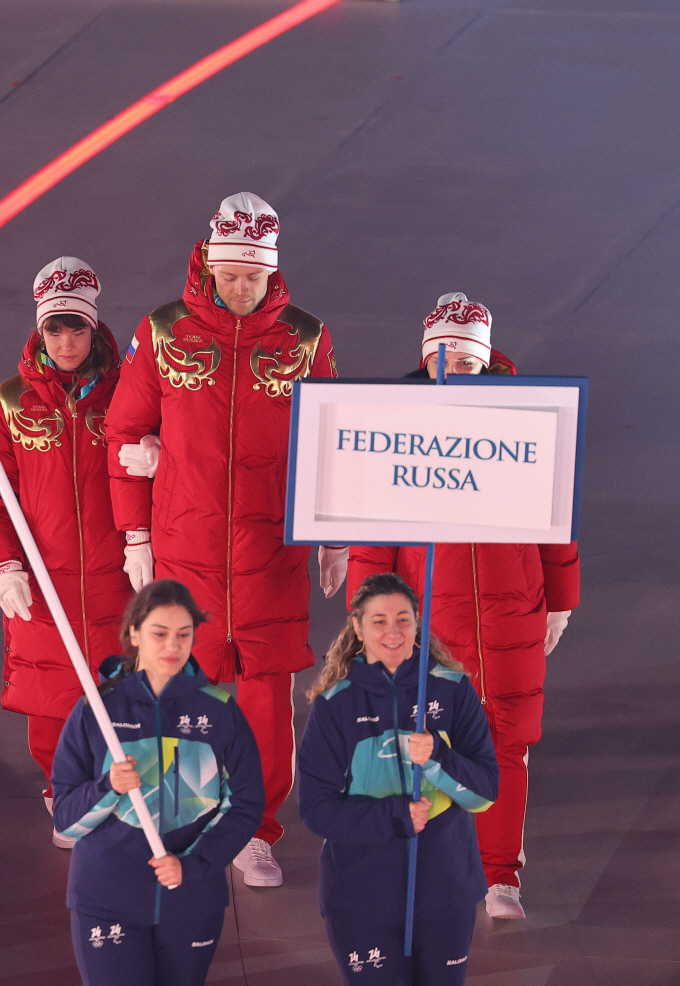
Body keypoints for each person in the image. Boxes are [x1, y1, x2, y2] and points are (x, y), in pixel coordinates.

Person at [104, 192, 343, 886]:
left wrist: (333, 536)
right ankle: (188, 816)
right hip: (188, 549)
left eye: (255, 278)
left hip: (271, 553)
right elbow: (123, 432)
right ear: (209, 262)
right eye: (231, 274)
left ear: (274, 273)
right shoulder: (163, 332)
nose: (242, 289)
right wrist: (134, 532)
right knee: (188, 689)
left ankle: (253, 829)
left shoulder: (306, 339)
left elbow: (331, 441)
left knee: (266, 699)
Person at [347, 292, 580, 918]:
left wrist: (560, 600)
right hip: (434, 622)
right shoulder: (398, 431)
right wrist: (367, 612)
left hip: (512, 617)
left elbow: (555, 522)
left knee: (504, 744)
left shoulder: (528, 425)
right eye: (442, 357)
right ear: (427, 361)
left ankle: (500, 875)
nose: (454, 367)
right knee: (420, 743)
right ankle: (427, 868)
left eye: (466, 358)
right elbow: (375, 530)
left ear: (484, 361)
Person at [0, 257, 133, 848]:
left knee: (121, 693)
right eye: (54, 330)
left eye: (77, 328)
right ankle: (62, 791)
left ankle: (116, 789)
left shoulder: (130, 391)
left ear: (95, 327)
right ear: (40, 331)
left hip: (121, 577)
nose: (66, 342)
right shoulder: (9, 403)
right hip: (43, 581)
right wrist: (4, 565)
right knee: (50, 700)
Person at [52, 580, 264, 986]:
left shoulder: (219, 712)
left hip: (191, 898)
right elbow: (65, 819)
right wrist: (107, 787)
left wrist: (193, 864)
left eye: (184, 635)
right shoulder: (96, 709)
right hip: (106, 896)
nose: (173, 646)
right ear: (134, 634)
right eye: (159, 633)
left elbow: (245, 804)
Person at [299, 573, 499, 985]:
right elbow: (317, 810)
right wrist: (394, 817)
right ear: (357, 626)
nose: (393, 632)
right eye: (379, 621)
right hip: (361, 899)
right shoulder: (335, 704)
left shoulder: (453, 690)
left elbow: (484, 793)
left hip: (447, 891)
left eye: (404, 620)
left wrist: (438, 758)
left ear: (417, 622)